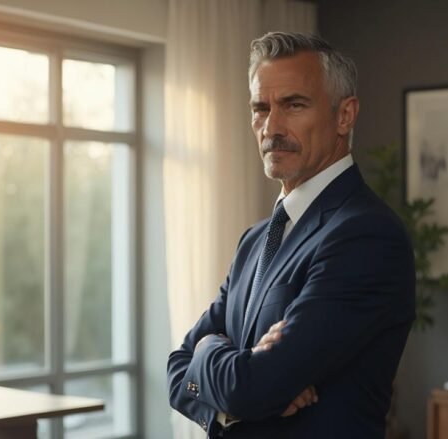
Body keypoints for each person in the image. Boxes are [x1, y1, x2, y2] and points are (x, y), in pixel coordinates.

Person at [167, 31, 415, 438]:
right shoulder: (254, 241)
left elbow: (253, 387)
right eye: (260, 108)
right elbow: (178, 370)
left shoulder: (367, 236)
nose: (272, 127)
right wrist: (234, 381)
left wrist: (209, 351)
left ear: (345, 115)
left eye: (293, 104)